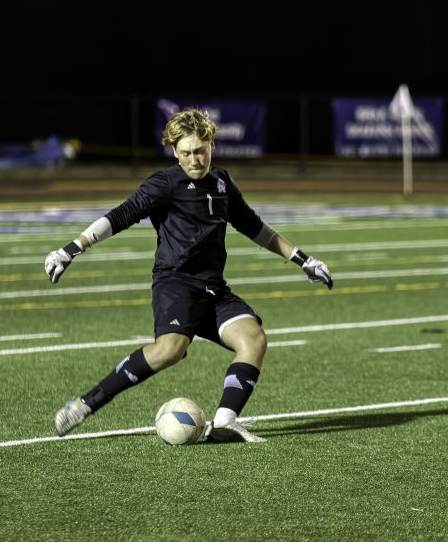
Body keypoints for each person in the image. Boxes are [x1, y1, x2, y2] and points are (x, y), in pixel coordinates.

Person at [43, 107, 333, 443]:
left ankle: (224, 422)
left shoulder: (223, 183)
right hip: (176, 283)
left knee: (253, 339)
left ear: (212, 145)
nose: (194, 160)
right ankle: (85, 404)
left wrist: (302, 259)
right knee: (170, 350)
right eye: (186, 153)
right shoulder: (164, 183)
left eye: (200, 151)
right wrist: (71, 249)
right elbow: (120, 216)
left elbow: (256, 228)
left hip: (213, 289)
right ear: (174, 152)